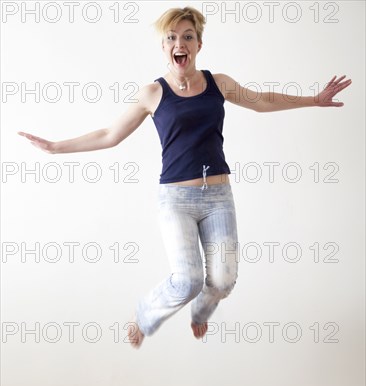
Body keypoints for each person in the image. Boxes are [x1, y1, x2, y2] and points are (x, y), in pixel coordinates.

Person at [18, 6, 352, 349]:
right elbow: (109, 134)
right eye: (172, 38)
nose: (181, 43)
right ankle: (145, 315)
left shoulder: (218, 83)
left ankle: (201, 313)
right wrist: (57, 147)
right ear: (164, 47)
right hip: (176, 199)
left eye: (188, 37)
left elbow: (262, 101)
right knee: (188, 280)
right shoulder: (152, 93)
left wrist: (314, 99)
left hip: (219, 197)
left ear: (198, 45)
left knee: (222, 282)